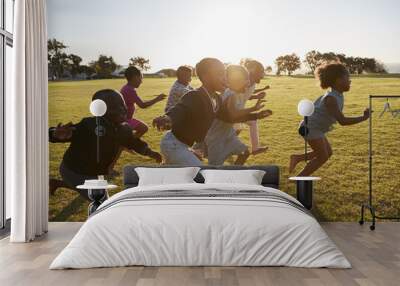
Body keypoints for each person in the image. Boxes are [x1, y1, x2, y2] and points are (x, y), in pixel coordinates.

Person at [152, 58, 271, 166]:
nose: (225, 78)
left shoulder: (217, 99)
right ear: (206, 77)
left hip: (184, 146)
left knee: (182, 176)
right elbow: (181, 109)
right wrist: (168, 118)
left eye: (225, 74)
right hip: (173, 145)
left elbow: (229, 118)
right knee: (201, 175)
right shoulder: (195, 95)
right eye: (220, 74)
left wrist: (255, 115)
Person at [49, 89, 162, 200]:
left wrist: (150, 152)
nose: (122, 110)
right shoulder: (89, 125)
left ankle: (56, 183)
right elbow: (69, 133)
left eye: (122, 105)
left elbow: (134, 143)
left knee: (88, 190)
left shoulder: (124, 129)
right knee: (102, 201)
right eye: (115, 107)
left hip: (93, 171)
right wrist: (54, 134)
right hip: (74, 169)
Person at [289, 62, 370, 176]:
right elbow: (342, 121)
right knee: (322, 156)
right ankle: (300, 179)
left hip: (315, 127)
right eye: (347, 77)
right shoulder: (331, 99)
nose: (350, 81)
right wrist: (364, 118)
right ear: (338, 80)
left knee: (327, 153)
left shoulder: (337, 95)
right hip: (310, 128)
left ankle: (297, 158)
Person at [205, 65, 272, 165]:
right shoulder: (231, 95)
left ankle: (234, 174)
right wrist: (254, 111)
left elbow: (235, 115)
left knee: (245, 152)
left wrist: (256, 113)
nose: (249, 83)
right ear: (237, 82)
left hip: (228, 134)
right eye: (246, 80)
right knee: (215, 169)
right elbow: (233, 115)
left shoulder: (236, 94)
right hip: (216, 137)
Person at [120, 66, 167, 138]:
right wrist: (157, 99)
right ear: (135, 77)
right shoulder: (129, 90)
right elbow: (142, 105)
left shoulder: (127, 88)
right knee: (144, 128)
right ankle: (127, 144)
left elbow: (141, 102)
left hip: (125, 119)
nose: (141, 81)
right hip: (124, 120)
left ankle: (126, 144)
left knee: (138, 130)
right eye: (140, 78)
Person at [240, 60, 271, 154]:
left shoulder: (252, 84)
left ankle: (255, 149)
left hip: (239, 111)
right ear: (253, 71)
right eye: (261, 71)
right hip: (233, 112)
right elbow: (242, 95)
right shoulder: (243, 82)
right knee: (235, 129)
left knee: (251, 122)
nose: (263, 74)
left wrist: (257, 96)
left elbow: (247, 95)